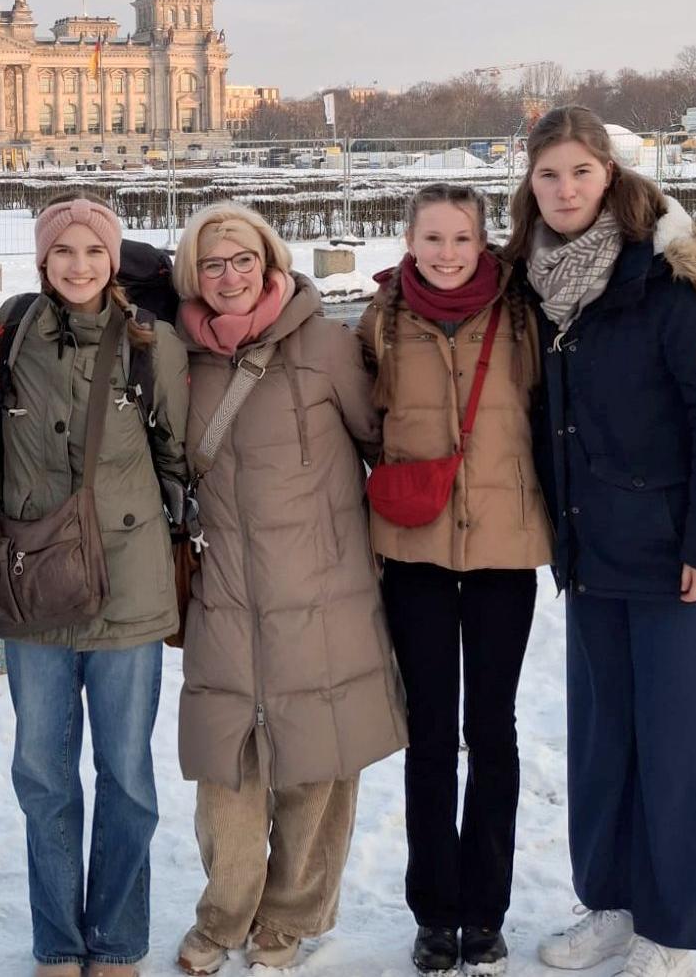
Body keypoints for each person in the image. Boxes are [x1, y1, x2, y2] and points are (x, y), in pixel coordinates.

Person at [503, 107, 696, 977]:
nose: (565, 189)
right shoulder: (533, 282)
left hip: (671, 555)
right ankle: (609, 903)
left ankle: (671, 926)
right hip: (589, 550)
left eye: (580, 171)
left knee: (676, 746)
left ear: (608, 175)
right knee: (602, 738)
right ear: (529, 187)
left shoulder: (666, 281)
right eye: (548, 175)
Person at [173, 202, 406, 975]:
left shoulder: (325, 346)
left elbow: (383, 446)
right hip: (227, 591)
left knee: (318, 762)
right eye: (212, 264)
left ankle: (293, 913)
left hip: (324, 590)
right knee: (226, 767)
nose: (229, 276)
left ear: (269, 262)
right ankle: (225, 912)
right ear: (191, 275)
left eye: (242, 259)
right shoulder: (177, 355)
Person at [0, 193, 190, 977]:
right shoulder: (6, 339)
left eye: (93, 252)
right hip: (34, 587)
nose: (78, 266)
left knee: (126, 774)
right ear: (43, 261)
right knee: (43, 776)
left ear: (115, 261)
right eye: (63, 252)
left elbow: (178, 456)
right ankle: (57, 940)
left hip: (128, 586)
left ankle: (115, 939)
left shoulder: (151, 344)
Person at [360, 182, 552, 976]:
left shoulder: (523, 318)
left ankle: (488, 907)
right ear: (410, 241)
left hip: (506, 550)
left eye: (461, 239)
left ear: (484, 242)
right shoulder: (382, 323)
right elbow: (361, 426)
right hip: (416, 556)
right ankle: (436, 912)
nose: (445, 253)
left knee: (494, 733)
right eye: (431, 239)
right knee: (432, 737)